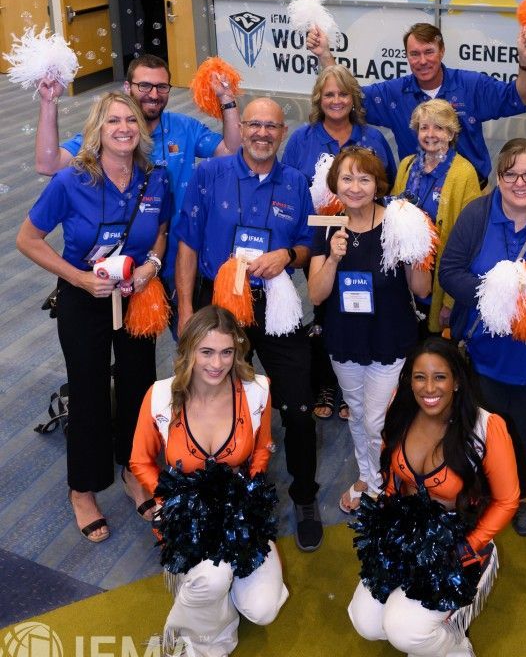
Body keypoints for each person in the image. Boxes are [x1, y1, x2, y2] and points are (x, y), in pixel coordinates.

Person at [17, 91, 171, 542]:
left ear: (140, 130)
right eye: (112, 121)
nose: (123, 128)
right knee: (88, 390)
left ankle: (133, 471)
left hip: (136, 296)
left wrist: (152, 267)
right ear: (97, 131)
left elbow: (160, 231)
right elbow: (28, 239)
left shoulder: (154, 178)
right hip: (84, 296)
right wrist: (78, 280)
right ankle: (82, 488)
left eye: (130, 121)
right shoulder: (70, 181)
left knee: (138, 385)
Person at [175, 97, 323, 552]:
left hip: (274, 303)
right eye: (253, 124)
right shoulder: (209, 175)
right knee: (212, 394)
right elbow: (187, 245)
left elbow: (305, 245)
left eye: (271, 126)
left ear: (282, 133)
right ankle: (216, 487)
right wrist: (185, 311)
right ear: (242, 129)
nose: (261, 133)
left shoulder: (296, 183)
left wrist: (288, 256)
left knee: (297, 404)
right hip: (217, 302)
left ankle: (304, 497)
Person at [348, 337, 519, 657]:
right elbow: (393, 478)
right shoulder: (402, 413)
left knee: (404, 629)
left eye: (439, 378)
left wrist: (467, 547)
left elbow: (507, 501)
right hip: (406, 537)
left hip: (459, 545)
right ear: (408, 381)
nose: (429, 388)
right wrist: (387, 520)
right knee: (365, 620)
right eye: (419, 377)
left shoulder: (486, 428)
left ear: (457, 381)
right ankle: (428, 645)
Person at [130, 306, 288, 657]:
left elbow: (262, 446)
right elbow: (140, 459)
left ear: (237, 351)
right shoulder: (160, 397)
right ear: (188, 352)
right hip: (187, 521)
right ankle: (211, 634)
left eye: (226, 352)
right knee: (212, 578)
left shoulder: (256, 390)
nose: (217, 364)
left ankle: (217, 595)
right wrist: (168, 502)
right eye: (206, 352)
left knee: (263, 610)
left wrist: (249, 492)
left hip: (239, 516)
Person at [439, 138, 526, 536]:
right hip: (484, 356)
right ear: (498, 178)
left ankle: (520, 496)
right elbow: (449, 271)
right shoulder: (477, 215)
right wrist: (494, 290)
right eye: (511, 173)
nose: (520, 182)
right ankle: (480, 493)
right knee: (481, 430)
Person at [34, 53, 241, 292]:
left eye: (162, 86)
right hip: (125, 261)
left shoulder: (185, 127)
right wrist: (48, 102)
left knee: (185, 325)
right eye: (144, 85)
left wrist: (226, 99)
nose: (153, 94)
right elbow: (47, 164)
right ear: (127, 87)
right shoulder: (109, 133)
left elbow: (232, 152)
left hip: (179, 253)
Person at [307, 147, 432, 513]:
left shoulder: (398, 223)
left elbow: (422, 290)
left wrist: (418, 248)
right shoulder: (328, 225)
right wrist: (333, 257)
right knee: (358, 411)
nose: (356, 186)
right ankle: (368, 475)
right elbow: (316, 293)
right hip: (345, 339)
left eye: (365, 179)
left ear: (378, 184)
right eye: (347, 178)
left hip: (389, 337)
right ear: (335, 184)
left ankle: (385, 483)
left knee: (378, 419)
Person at [282, 65, 396, 419]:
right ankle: (329, 382)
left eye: (343, 94)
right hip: (320, 235)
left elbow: (387, 185)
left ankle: (358, 378)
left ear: (353, 99)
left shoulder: (372, 137)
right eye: (329, 94)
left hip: (366, 232)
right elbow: (289, 189)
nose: (336, 100)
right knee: (322, 309)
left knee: (363, 302)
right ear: (319, 98)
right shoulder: (302, 138)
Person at [307, 22, 526, 187]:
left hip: (471, 190)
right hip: (417, 192)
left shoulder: (471, 85)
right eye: (414, 54)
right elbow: (348, 97)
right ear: (407, 56)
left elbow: (520, 96)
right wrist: (324, 55)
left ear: (442, 51)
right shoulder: (394, 94)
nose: (423, 61)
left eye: (429, 52)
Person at [392, 98, 480, 334]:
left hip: (440, 275)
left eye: (439, 128)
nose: (430, 134)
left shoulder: (464, 174)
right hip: (405, 270)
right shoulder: (407, 166)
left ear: (451, 134)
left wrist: (451, 301)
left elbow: (470, 242)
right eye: (424, 127)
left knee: (432, 346)